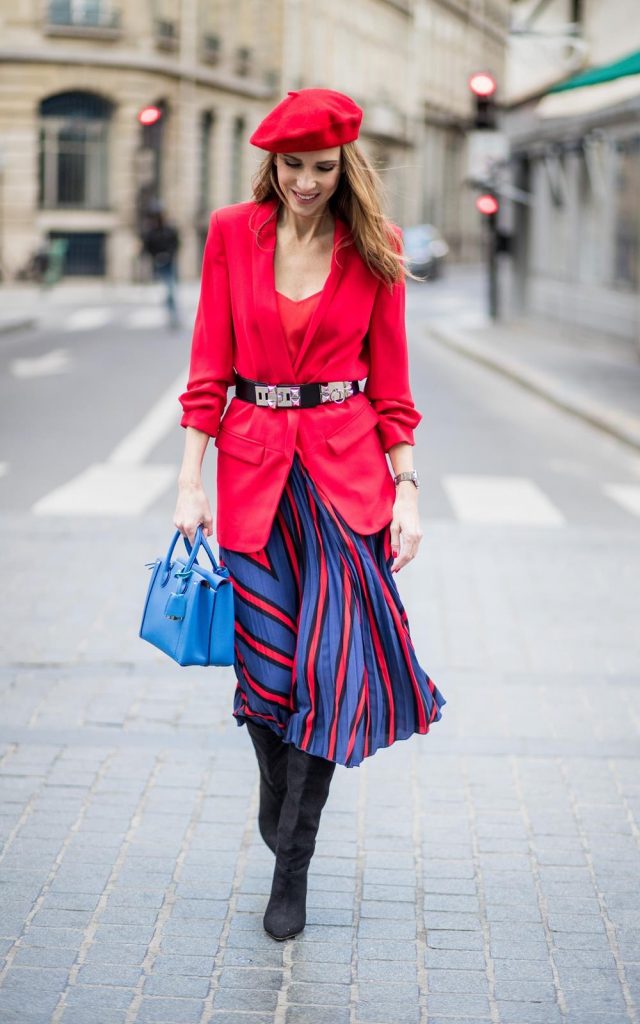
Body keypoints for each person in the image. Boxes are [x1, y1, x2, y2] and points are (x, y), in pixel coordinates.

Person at [174, 87, 446, 942]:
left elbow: (393, 388)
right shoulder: (230, 234)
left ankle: (292, 861)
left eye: (322, 168)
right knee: (268, 682)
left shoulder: (377, 248)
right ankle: (276, 786)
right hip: (253, 476)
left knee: (327, 678)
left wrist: (407, 490)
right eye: (292, 167)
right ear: (272, 164)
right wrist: (189, 481)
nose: (305, 183)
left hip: (343, 480)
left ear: (345, 166)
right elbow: (207, 370)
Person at [142, 201, 181, 327]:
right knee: (167, 288)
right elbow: (148, 247)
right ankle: (170, 310)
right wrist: (156, 256)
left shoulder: (169, 229)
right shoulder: (151, 231)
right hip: (159, 263)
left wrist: (168, 254)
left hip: (169, 262)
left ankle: (172, 312)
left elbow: (176, 244)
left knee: (170, 288)